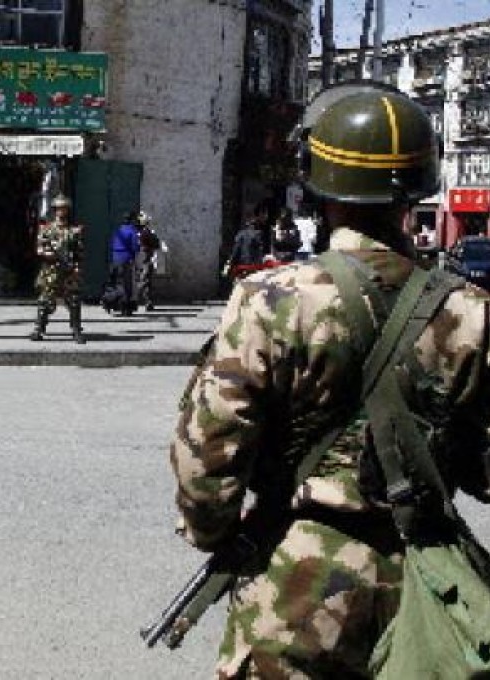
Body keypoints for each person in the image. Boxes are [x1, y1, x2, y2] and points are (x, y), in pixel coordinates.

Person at [169, 83, 490, 677]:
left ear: (317, 181)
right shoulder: (472, 311)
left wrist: (218, 534)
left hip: (295, 580)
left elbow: (207, 455)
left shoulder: (270, 299)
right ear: (419, 183)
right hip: (427, 586)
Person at [30, 194, 85, 344]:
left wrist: (77, 267)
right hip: (51, 270)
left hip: (68, 271)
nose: (61, 212)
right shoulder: (47, 229)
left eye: (64, 209)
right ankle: (39, 329)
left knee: (74, 301)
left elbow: (79, 252)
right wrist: (47, 254)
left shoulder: (74, 231)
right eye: (59, 209)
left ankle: (76, 330)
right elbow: (39, 249)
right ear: (54, 210)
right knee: (45, 301)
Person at [105, 211, 141, 315]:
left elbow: (112, 244)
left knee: (117, 282)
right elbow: (135, 246)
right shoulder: (132, 231)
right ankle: (125, 307)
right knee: (127, 283)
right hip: (126, 259)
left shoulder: (118, 230)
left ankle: (115, 304)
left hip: (116, 258)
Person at [135, 211, 162, 311]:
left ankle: (147, 302)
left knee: (144, 281)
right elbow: (156, 244)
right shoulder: (147, 233)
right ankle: (138, 299)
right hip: (146, 259)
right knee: (145, 281)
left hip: (141, 259)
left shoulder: (139, 233)